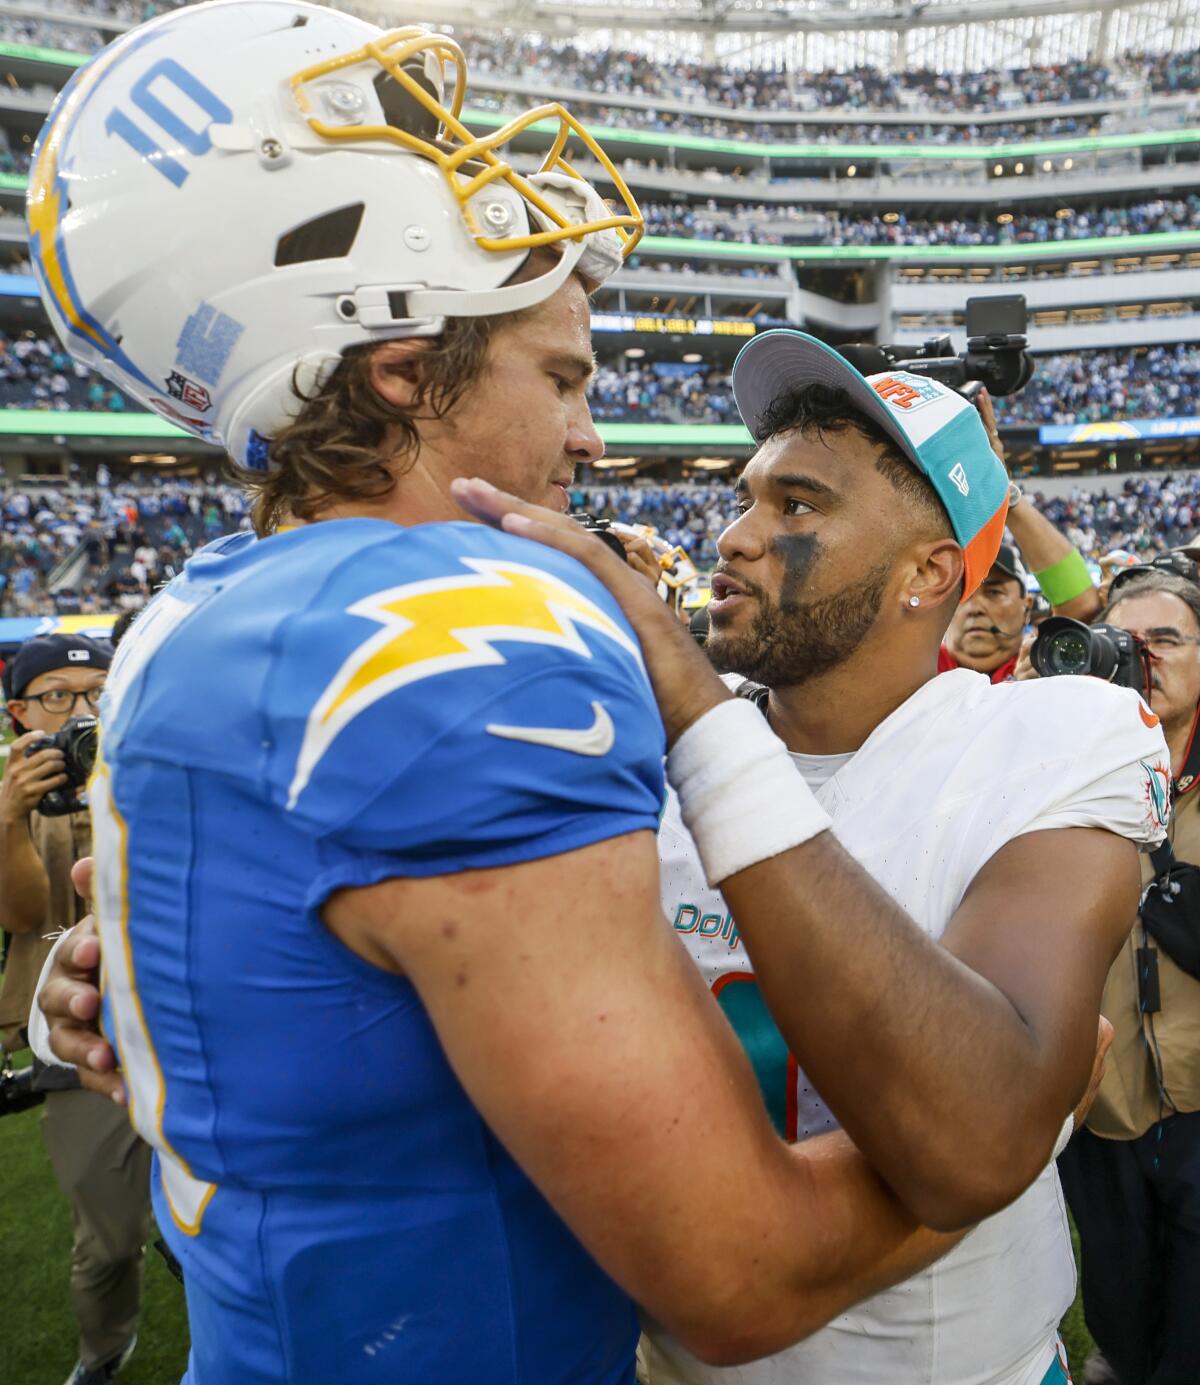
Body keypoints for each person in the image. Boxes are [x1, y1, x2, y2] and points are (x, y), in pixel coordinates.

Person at [27, 6, 1149, 1381]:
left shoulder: (204, 598)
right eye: (562, 376)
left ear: (936, 570)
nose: (594, 435)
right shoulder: (478, 646)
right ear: (400, 368)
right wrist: (988, 1153)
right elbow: (745, 1270)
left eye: (796, 503)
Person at [448, 328, 1174, 1385]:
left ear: (929, 571)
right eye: (746, 496)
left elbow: (975, 1132)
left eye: (798, 505)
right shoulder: (625, 753)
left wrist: (697, 709)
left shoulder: (1059, 733)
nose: (736, 536)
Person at [1048, 571, 1200, 1385]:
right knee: (1116, 1295)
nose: (1144, 657)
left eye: (1167, 639)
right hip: (1101, 1102)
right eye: (1125, 641)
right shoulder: (1057, 772)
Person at [0, 634, 151, 1385]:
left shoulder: (149, 754)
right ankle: (102, 1352)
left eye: (98, 691)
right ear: (20, 711)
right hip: (73, 1029)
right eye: (59, 695)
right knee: (109, 1238)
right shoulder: (11, 787)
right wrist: (8, 820)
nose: (83, 711)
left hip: (170, 1010)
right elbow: (25, 917)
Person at [938, 541, 1031, 681]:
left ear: (1027, 608)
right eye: (962, 594)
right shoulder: (910, 673)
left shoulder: (1047, 673)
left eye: (994, 592)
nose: (974, 608)